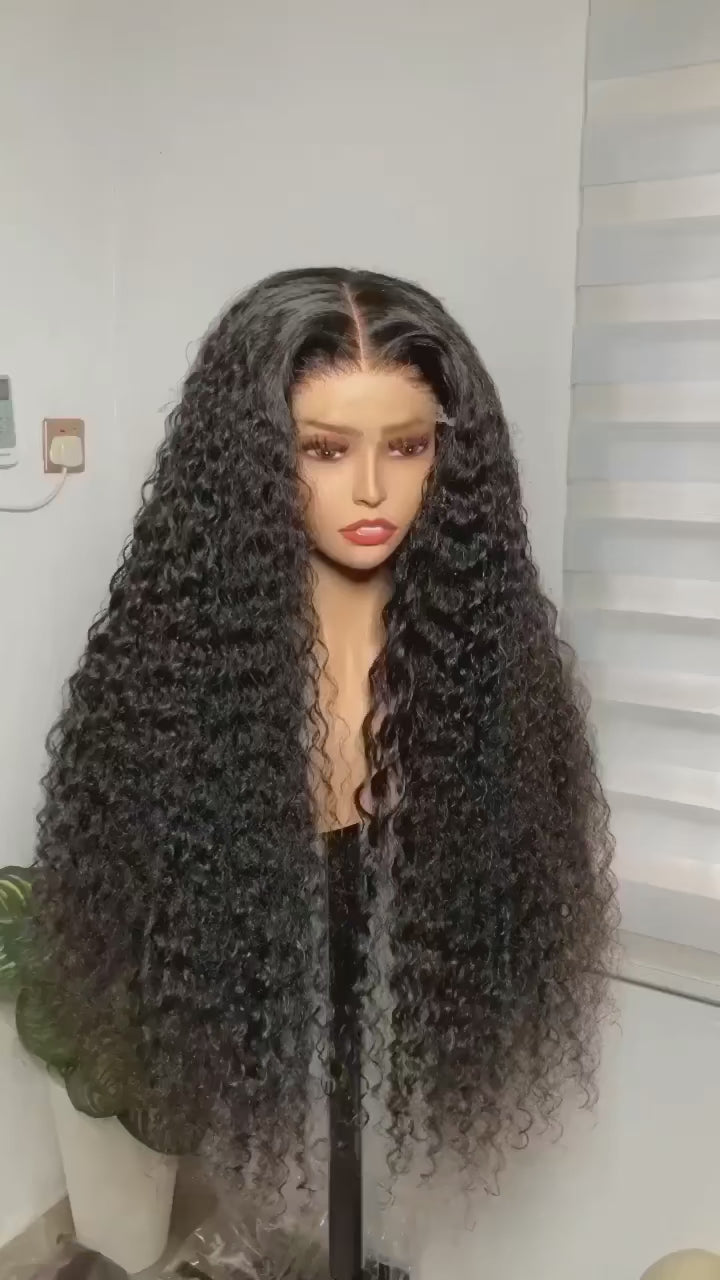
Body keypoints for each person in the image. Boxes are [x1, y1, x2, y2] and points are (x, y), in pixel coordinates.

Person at [31, 267, 616, 1220]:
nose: (373, 489)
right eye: (325, 449)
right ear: (252, 458)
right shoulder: (179, 678)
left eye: (409, 446)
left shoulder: (483, 671)